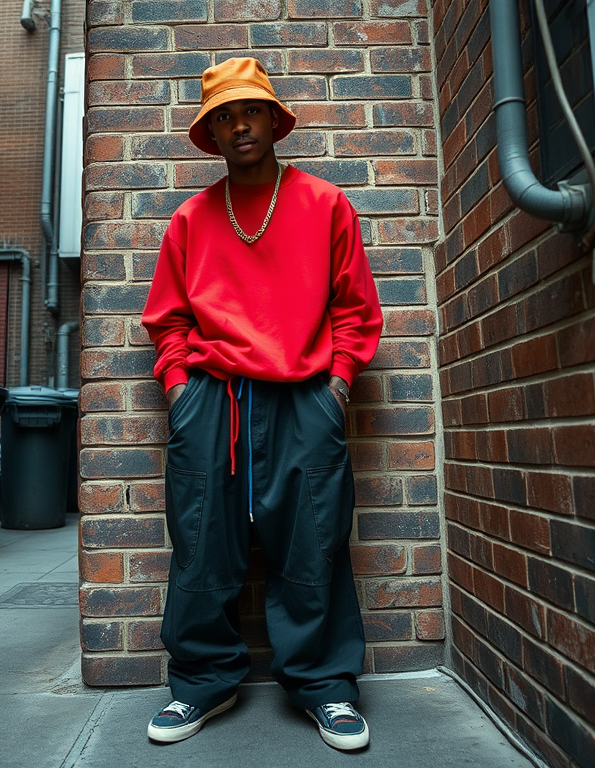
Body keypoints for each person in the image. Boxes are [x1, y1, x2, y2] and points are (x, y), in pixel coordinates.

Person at [141, 57, 383, 751]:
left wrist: (336, 386)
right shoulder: (191, 218)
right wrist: (182, 393)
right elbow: (168, 321)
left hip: (305, 396)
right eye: (221, 115)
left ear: (273, 120)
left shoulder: (324, 203)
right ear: (209, 133)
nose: (237, 124)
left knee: (314, 541)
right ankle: (200, 686)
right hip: (213, 399)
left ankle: (326, 687)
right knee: (201, 544)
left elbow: (356, 311)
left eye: (247, 110)